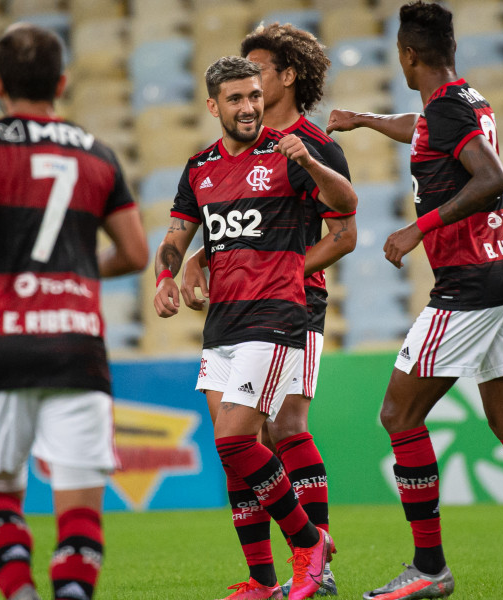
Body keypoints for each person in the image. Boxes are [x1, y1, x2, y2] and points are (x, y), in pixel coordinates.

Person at [327, 3, 503, 598]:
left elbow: (492, 178)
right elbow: (424, 129)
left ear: (408, 55)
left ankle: (430, 567)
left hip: (468, 283)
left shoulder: (447, 112)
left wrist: (418, 228)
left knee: (398, 415)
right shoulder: (468, 102)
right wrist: (361, 118)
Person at [0, 23, 149, 600]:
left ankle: (21, 593)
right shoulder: (97, 153)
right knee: (78, 502)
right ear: (63, 82)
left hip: (0, 342)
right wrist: (74, 269)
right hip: (76, 344)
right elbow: (135, 252)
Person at [151, 55, 356, 600]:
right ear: (214, 105)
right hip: (222, 323)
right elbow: (177, 236)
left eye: (254, 96)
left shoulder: (288, 153)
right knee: (236, 460)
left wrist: (309, 163)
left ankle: (310, 544)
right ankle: (264, 582)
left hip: (276, 318)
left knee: (237, 439)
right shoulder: (199, 167)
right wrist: (167, 276)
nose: (248, 107)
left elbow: (347, 207)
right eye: (236, 99)